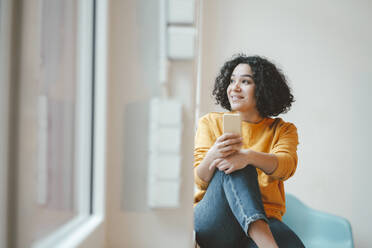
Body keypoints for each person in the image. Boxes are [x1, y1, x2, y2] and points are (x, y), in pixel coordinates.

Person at [193, 54, 305, 248]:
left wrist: (249, 156)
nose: (234, 87)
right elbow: (199, 180)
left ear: (262, 88)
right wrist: (214, 154)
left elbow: (286, 166)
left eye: (245, 81)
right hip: (216, 222)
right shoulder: (210, 122)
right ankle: (266, 242)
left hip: (267, 219)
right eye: (232, 80)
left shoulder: (283, 130)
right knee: (233, 164)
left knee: (293, 245)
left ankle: (260, 235)